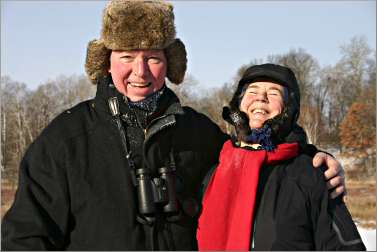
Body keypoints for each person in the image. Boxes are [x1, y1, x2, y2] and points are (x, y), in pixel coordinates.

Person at [2, 1, 345, 250]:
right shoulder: (66, 138)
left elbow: (255, 158)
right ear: (106, 62)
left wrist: (309, 155)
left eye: (153, 57)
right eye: (126, 56)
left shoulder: (197, 133)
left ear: (170, 64)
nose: (140, 71)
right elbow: (26, 235)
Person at [197, 64, 365, 251]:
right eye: (252, 91)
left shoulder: (310, 174)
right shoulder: (211, 171)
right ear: (239, 103)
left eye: (274, 93)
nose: (261, 97)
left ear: (288, 109)